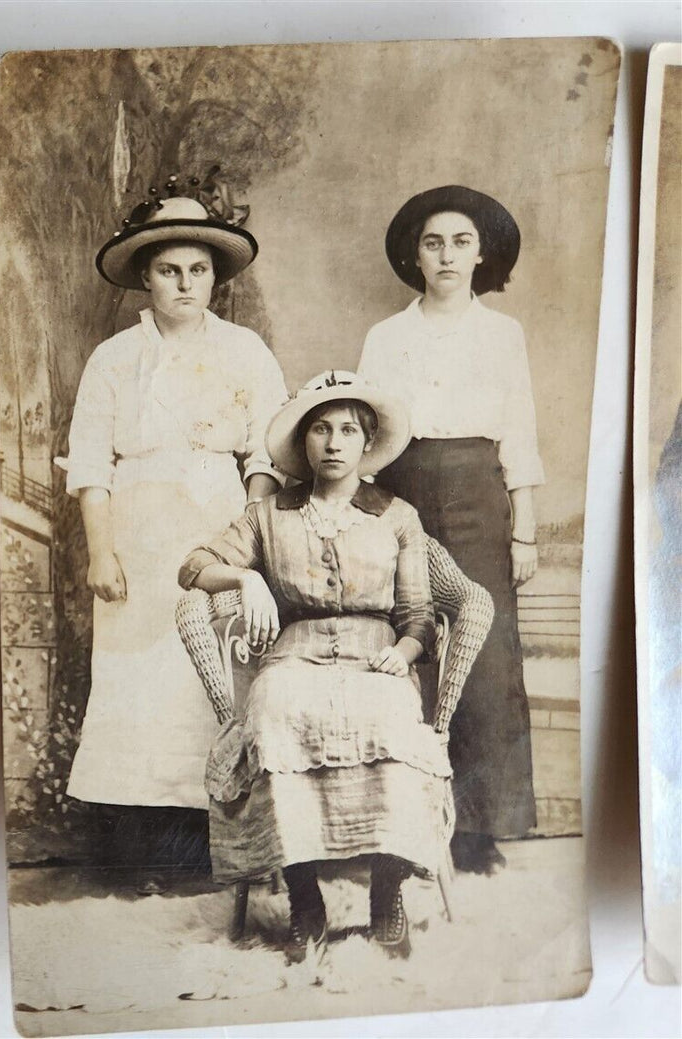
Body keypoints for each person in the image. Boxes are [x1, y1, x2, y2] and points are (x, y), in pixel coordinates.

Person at [58, 184, 288, 889]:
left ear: (215, 277)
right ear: (145, 276)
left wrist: (246, 537)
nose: (184, 284)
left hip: (214, 531)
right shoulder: (113, 357)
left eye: (197, 270)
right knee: (133, 689)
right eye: (168, 270)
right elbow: (91, 462)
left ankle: (206, 853)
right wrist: (101, 550)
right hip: (135, 533)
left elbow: (267, 454)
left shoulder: (245, 351)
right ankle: (132, 860)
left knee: (206, 685)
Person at [179, 371, 452, 962]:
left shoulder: (397, 516)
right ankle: (305, 901)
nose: (333, 442)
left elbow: (419, 613)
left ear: (366, 442)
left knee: (392, 713)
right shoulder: (268, 515)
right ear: (303, 442)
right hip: (292, 657)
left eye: (348, 430)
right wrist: (246, 576)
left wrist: (403, 654)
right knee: (275, 710)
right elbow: (194, 564)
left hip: (374, 656)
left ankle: (388, 892)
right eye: (321, 429)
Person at [357, 185, 540, 874]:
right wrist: (370, 513)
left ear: (481, 251)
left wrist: (522, 531)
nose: (446, 255)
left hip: (476, 495)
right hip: (401, 488)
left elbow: (517, 433)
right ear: (414, 253)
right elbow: (371, 432)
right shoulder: (386, 336)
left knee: (483, 656)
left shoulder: (502, 334)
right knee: (402, 647)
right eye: (433, 242)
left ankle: (478, 828)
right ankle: (398, 826)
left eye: (460, 241)